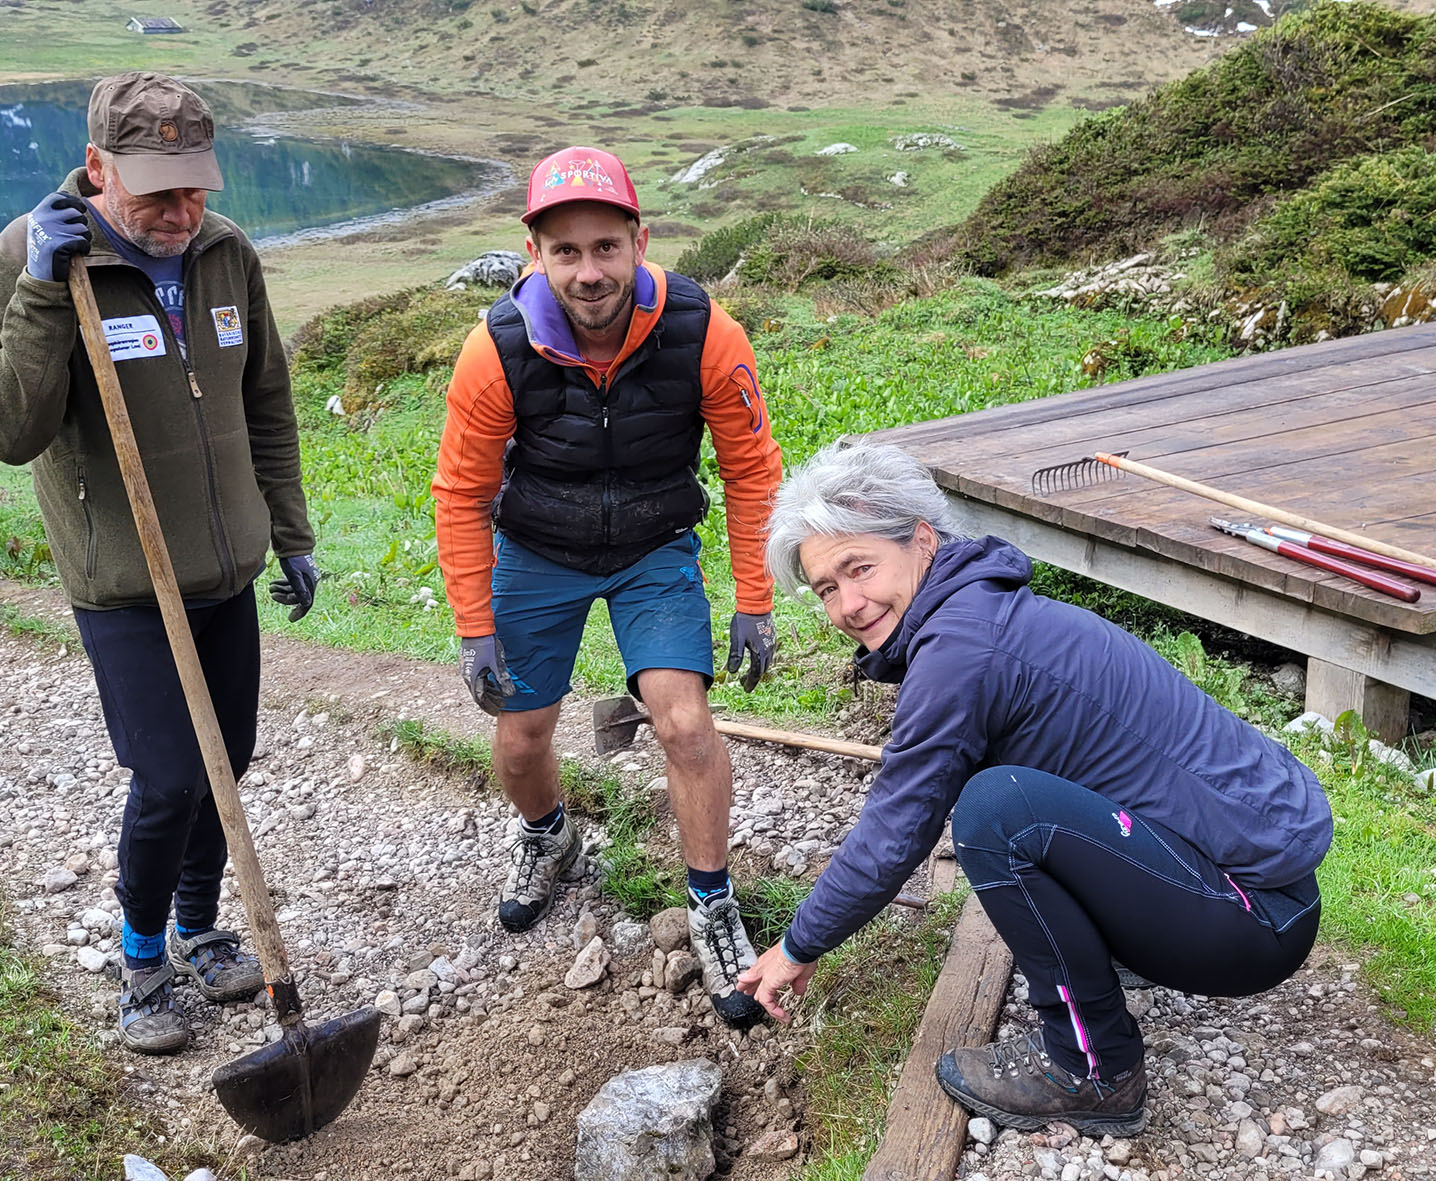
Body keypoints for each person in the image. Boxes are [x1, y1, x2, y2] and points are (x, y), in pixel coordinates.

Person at [738, 442, 1331, 1133]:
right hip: (1261, 888)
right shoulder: (984, 610)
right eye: (827, 589)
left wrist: (796, 946)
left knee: (995, 812)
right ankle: (1114, 961)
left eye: (859, 568)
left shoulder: (960, 653)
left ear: (922, 541)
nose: (850, 603)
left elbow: (894, 831)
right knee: (1009, 798)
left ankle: (1090, 1067)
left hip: (1251, 916)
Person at [0, 72, 320, 1055]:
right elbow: (3, 426)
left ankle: (202, 924)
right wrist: (41, 289)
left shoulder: (224, 250)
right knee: (168, 775)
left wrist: (287, 530)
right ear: (96, 168)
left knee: (226, 762)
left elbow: (265, 400)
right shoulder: (34, 259)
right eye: (156, 190)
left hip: (223, 564)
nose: (180, 210)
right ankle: (141, 959)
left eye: (194, 186)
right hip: (122, 578)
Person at [431, 147, 785, 1028]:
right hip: (536, 551)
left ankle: (712, 905)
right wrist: (476, 625)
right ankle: (549, 836)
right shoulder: (496, 347)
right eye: (566, 252)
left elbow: (751, 470)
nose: (589, 273)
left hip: (654, 548)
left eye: (606, 248)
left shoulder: (706, 332)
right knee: (520, 741)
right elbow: (462, 493)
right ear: (536, 254)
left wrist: (755, 597)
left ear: (639, 240)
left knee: (687, 723)